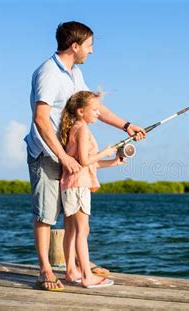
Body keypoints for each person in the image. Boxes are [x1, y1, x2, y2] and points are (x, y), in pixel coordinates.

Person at [24, 21, 146, 291]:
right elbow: (41, 119)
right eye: (89, 46)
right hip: (46, 153)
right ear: (75, 46)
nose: (91, 52)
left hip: (70, 156)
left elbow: (94, 108)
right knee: (45, 214)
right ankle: (45, 269)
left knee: (71, 216)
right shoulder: (48, 73)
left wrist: (127, 125)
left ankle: (74, 267)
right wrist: (64, 157)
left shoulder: (75, 75)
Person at [60, 90, 122, 288]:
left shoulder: (75, 128)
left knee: (71, 230)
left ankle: (71, 272)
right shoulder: (83, 129)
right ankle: (87, 276)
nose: (98, 113)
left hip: (71, 184)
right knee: (81, 231)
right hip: (78, 186)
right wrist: (105, 151)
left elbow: (84, 163)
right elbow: (86, 160)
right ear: (80, 111)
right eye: (94, 110)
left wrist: (112, 161)